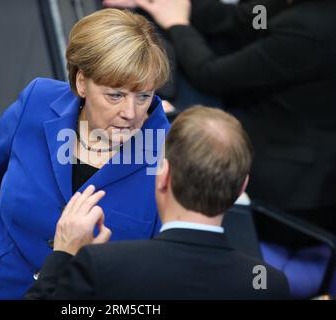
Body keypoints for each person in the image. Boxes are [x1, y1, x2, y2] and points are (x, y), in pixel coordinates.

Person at [0, 8, 170, 299]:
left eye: (143, 96)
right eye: (115, 95)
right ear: (82, 82)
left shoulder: (170, 154)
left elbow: (160, 277)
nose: (130, 113)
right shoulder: (38, 100)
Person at [104, 0, 336, 248]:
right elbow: (238, 18)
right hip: (270, 122)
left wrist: (177, 23)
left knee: (159, 144)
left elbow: (210, 74)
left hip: (288, 193)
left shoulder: (311, 29)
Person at [25, 106, 290, 300]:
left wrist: (62, 256)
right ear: (241, 188)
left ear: (163, 176)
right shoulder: (270, 285)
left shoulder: (102, 267)